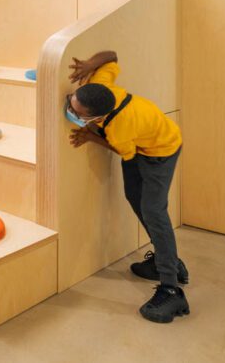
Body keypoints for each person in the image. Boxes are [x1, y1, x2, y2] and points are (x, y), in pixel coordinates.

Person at [66, 50, 190, 323]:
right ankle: (164, 258)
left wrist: (90, 137)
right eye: (71, 102)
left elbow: (124, 151)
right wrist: (89, 65)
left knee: (154, 211)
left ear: (95, 117)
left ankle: (172, 288)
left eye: (76, 112)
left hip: (160, 151)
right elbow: (111, 56)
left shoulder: (120, 127)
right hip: (140, 143)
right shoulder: (101, 88)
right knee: (133, 195)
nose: (71, 110)